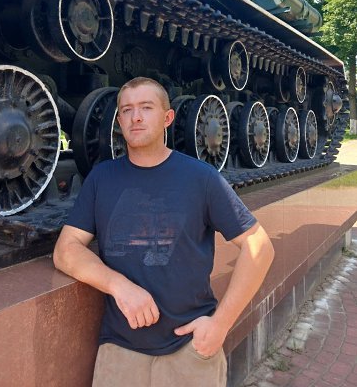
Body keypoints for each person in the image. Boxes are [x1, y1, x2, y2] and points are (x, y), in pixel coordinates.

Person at [53, 77, 275, 387]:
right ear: (119, 121)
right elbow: (66, 250)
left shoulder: (201, 178)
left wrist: (221, 325)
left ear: (167, 117)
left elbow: (259, 246)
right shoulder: (101, 179)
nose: (136, 117)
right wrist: (119, 286)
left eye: (146, 107)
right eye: (127, 110)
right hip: (120, 352)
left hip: (189, 349)